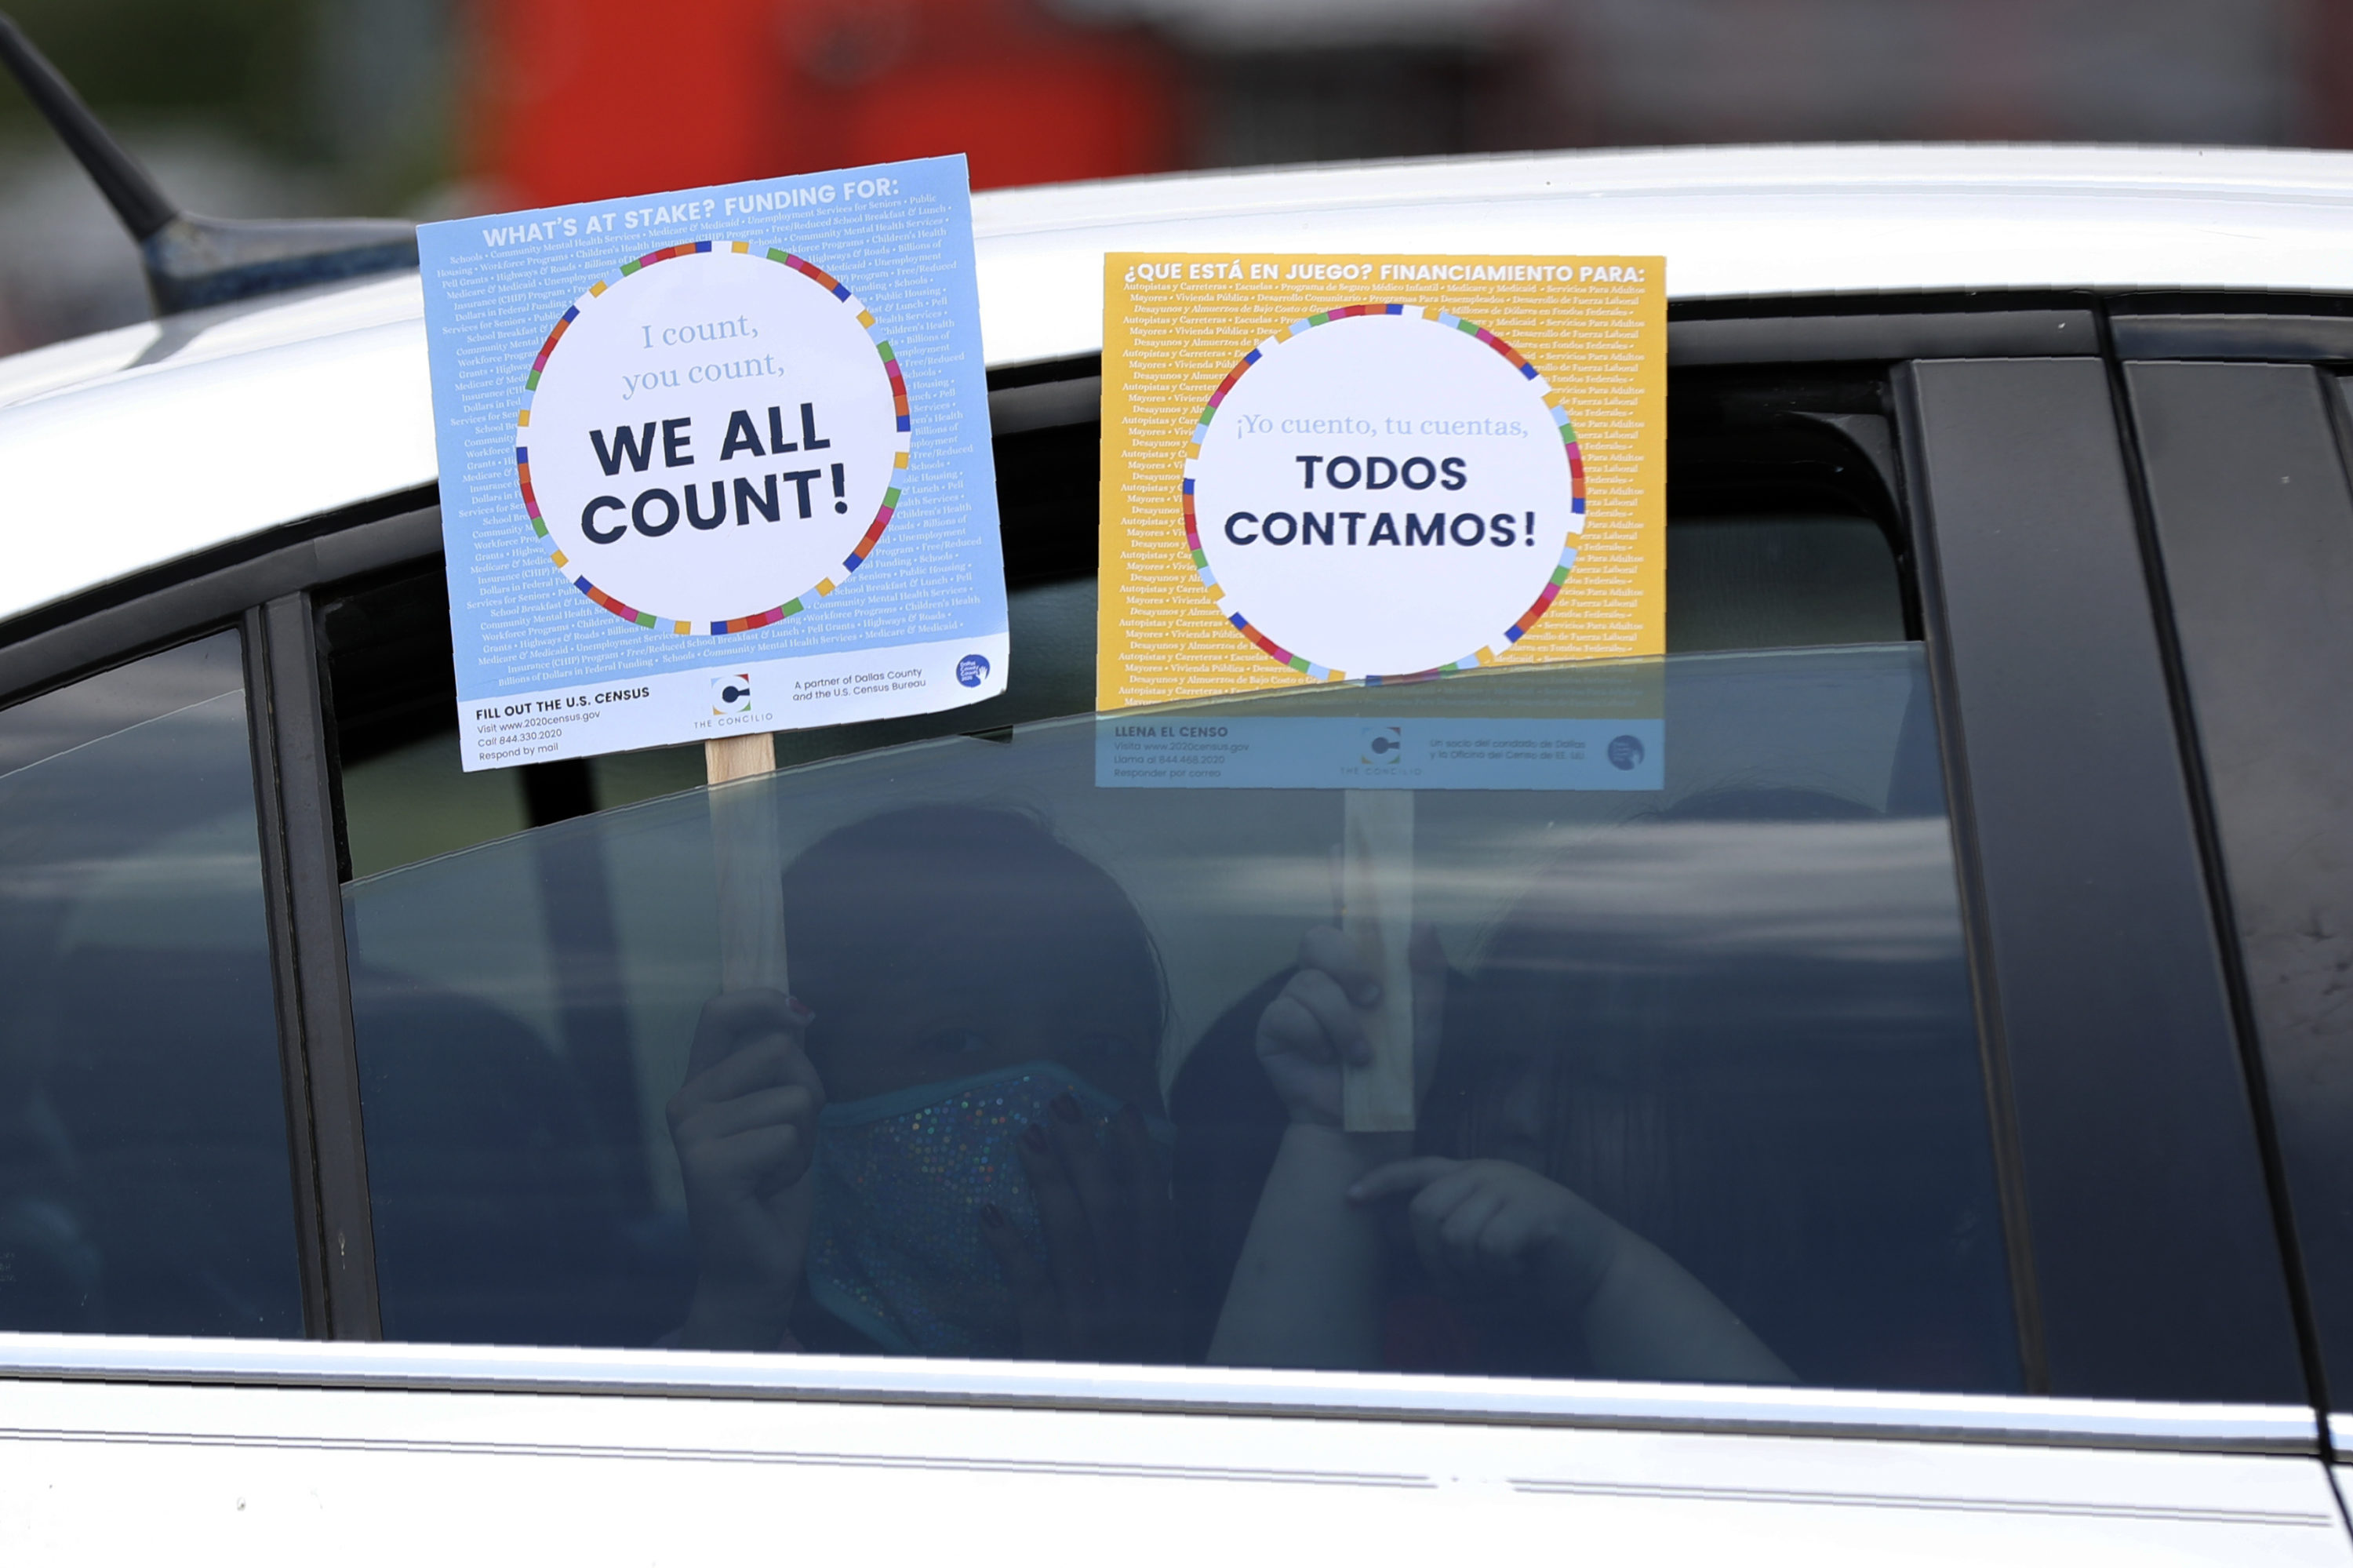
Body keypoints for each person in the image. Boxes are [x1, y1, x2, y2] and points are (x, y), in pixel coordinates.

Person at [665, 805, 1181, 1361]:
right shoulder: (709, 1375)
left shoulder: (1254, 1352)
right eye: (957, 1040)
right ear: (800, 1094)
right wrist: (739, 1313)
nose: (1043, 1094)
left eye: (1101, 1047)